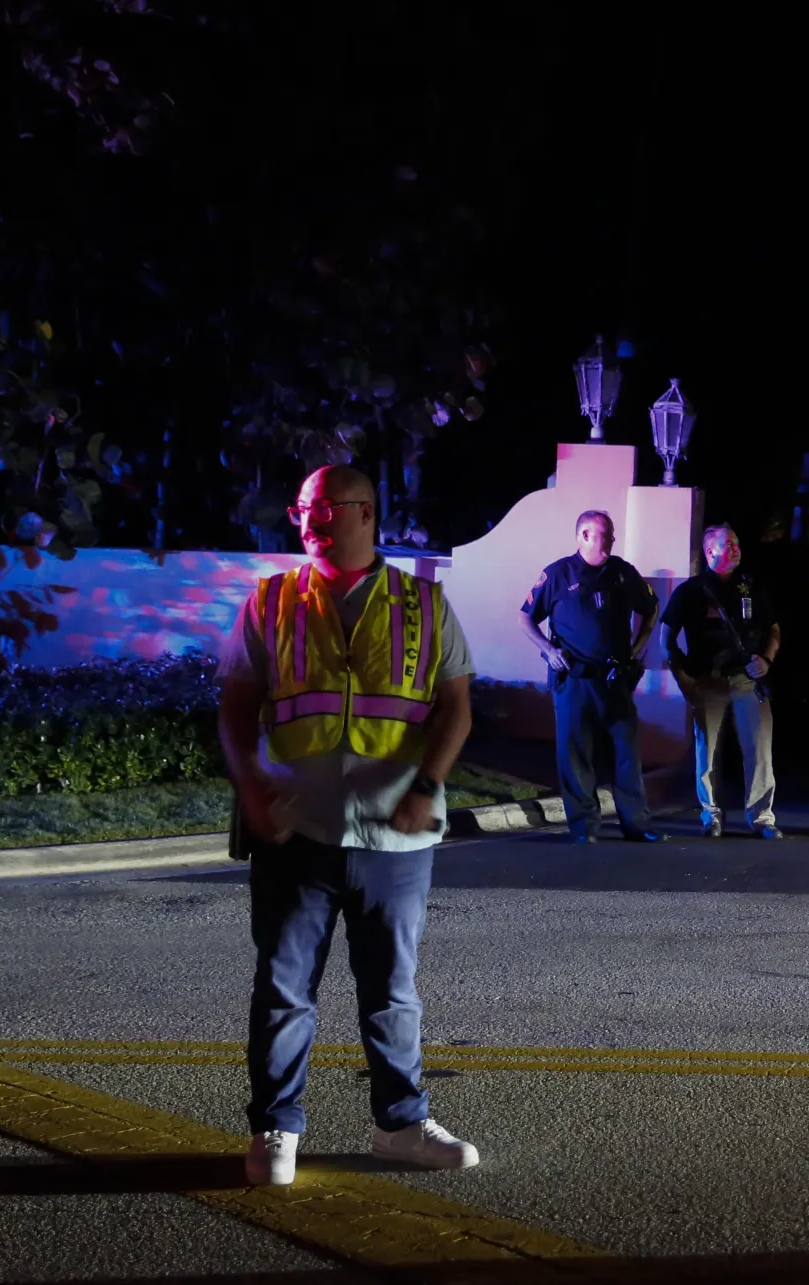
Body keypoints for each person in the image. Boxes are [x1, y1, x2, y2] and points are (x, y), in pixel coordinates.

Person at [217, 465, 480, 1188]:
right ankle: (275, 1126)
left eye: (324, 507)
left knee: (392, 988)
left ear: (366, 512)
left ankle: (400, 1122)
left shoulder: (424, 604)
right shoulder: (271, 600)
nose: (309, 519)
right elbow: (237, 710)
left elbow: (456, 706)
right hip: (296, 829)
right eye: (303, 507)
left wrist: (428, 786)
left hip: (396, 832)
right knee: (282, 986)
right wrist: (250, 788)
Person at [518, 509, 663, 843]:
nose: (611, 539)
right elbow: (525, 618)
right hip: (575, 679)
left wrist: (637, 647)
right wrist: (549, 651)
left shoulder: (623, 573)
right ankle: (585, 827)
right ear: (584, 535)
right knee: (576, 754)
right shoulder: (557, 574)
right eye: (605, 534)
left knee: (626, 753)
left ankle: (637, 824)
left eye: (611, 534)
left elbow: (650, 608)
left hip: (614, 679)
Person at [661, 523, 782, 838]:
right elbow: (666, 638)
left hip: (748, 681)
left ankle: (762, 818)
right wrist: (683, 679)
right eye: (728, 544)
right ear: (709, 550)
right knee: (709, 752)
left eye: (737, 543)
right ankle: (711, 816)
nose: (735, 549)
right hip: (709, 681)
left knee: (759, 750)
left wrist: (766, 659)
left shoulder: (751, 585)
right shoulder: (691, 591)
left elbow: (773, 629)